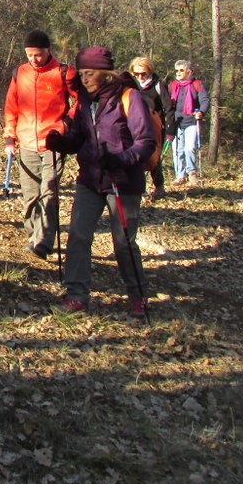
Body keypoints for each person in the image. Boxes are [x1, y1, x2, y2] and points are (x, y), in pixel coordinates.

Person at [45, 46, 155, 318]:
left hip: (123, 181)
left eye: (90, 73)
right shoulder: (84, 101)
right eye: (81, 73)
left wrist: (121, 159)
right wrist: (62, 143)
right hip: (90, 179)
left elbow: (146, 142)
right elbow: (81, 138)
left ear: (106, 73)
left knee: (123, 242)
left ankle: (138, 296)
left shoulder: (130, 98)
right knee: (78, 234)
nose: (84, 78)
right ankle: (76, 295)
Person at [2, 30, 78, 259]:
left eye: (38, 55)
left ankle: (44, 241)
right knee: (30, 195)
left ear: (48, 51)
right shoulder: (20, 73)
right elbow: (11, 107)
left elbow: (81, 100)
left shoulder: (63, 72)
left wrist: (66, 123)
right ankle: (33, 235)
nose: (34, 59)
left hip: (53, 142)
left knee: (49, 191)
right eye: (29, 55)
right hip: (26, 141)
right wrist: (9, 138)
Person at [127, 57, 174, 199]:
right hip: (135, 126)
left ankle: (159, 186)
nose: (140, 77)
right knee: (136, 157)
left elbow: (169, 109)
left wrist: (170, 132)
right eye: (137, 74)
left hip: (155, 127)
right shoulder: (131, 86)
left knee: (154, 158)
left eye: (143, 73)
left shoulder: (159, 86)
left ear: (149, 71)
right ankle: (138, 188)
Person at [168, 59, 209, 186]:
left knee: (189, 148)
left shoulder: (196, 84)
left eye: (181, 70)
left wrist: (201, 111)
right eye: (177, 70)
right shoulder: (173, 85)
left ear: (189, 72)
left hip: (191, 121)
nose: (178, 73)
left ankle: (191, 173)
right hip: (176, 122)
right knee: (177, 150)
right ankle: (180, 175)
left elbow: (205, 100)